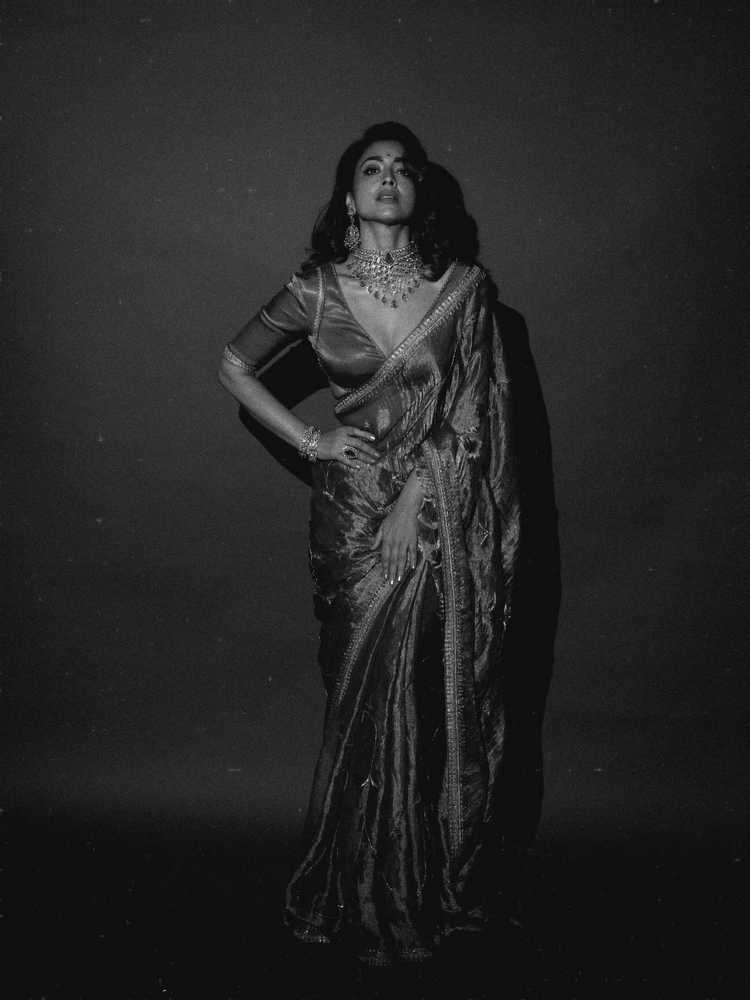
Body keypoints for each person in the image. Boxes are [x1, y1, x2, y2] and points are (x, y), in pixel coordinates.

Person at [218, 122, 523, 967]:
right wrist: (311, 441)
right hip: (350, 509)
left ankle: (413, 886)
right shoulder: (318, 290)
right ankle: (350, 888)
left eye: (402, 169)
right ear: (349, 198)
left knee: (417, 694)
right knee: (356, 694)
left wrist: (416, 498)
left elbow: (472, 407)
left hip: (431, 512)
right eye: (370, 169)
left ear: (418, 193)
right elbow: (235, 364)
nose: (387, 178)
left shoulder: (462, 289)